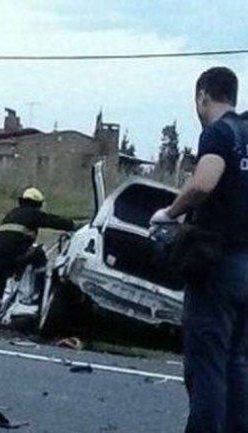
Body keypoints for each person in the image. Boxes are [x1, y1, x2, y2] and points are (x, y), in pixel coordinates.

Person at [150, 66, 248, 432]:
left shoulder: (219, 133)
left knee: (206, 366)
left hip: (217, 264)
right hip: (246, 265)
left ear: (203, 96)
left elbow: (204, 182)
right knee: (237, 363)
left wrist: (170, 212)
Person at [0, 188, 75, 323]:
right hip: (14, 255)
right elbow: (52, 220)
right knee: (38, 254)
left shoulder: (11, 214)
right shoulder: (32, 213)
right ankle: (42, 291)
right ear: (37, 203)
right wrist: (74, 225)